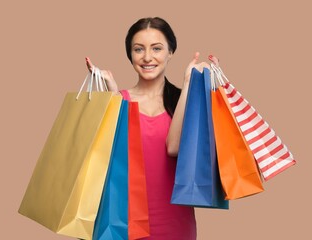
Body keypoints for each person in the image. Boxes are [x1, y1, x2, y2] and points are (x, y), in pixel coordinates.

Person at [86, 17, 219, 240]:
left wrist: (189, 84)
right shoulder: (120, 100)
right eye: (139, 49)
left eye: (156, 48)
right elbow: (106, 159)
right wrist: (113, 97)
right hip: (121, 223)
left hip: (175, 223)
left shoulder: (183, 100)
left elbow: (174, 148)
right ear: (130, 55)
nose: (147, 57)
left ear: (170, 52)